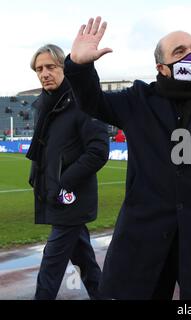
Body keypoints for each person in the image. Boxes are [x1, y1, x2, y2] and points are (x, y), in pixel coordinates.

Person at [65, 17, 191, 300]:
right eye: (179, 51)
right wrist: (79, 66)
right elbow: (93, 101)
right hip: (144, 232)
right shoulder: (139, 99)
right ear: (161, 67)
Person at [26, 44, 109, 300]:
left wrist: (64, 183)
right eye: (39, 69)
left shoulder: (82, 102)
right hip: (54, 194)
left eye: (51, 67)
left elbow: (98, 151)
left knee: (50, 266)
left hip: (69, 198)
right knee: (85, 261)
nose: (44, 73)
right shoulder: (45, 106)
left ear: (64, 67)